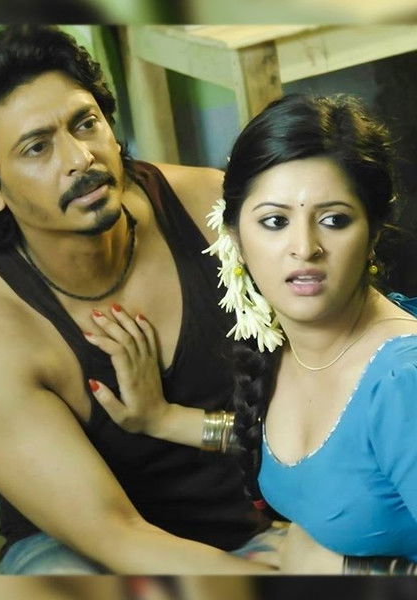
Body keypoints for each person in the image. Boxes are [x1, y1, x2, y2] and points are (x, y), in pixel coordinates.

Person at [0, 24, 279, 575]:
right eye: (37, 147)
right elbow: (116, 534)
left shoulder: (212, 210)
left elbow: (335, 395)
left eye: (85, 123)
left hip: (267, 513)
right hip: (92, 551)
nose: (79, 157)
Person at [86, 94, 417, 574]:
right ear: (235, 236)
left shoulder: (403, 381)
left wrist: (343, 568)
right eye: (275, 222)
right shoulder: (284, 343)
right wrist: (160, 418)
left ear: (374, 232)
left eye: (334, 220)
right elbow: (300, 446)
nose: (304, 248)